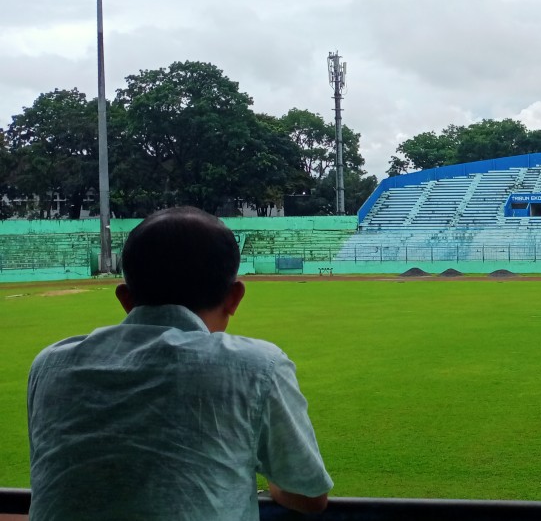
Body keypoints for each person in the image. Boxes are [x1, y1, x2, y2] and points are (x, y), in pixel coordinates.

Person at [27, 207, 333, 520]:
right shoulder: (256, 366)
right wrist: (268, 487)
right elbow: (309, 495)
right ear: (235, 297)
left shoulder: (49, 365)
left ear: (125, 299)